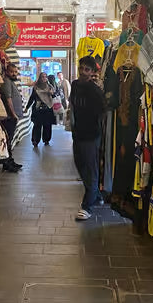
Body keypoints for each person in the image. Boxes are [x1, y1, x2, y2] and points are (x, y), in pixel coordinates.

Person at [70, 56, 106, 221]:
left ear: (92, 72)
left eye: (87, 69)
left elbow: (102, 111)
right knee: (80, 166)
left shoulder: (95, 90)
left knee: (90, 169)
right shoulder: (75, 85)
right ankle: (96, 195)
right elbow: (73, 106)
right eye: (81, 68)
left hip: (91, 135)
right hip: (78, 134)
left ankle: (87, 206)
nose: (83, 72)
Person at [0, 63, 24, 172]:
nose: (14, 74)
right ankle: (7, 163)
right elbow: (8, 99)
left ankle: (10, 160)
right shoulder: (7, 82)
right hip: (9, 117)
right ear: (7, 72)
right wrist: (13, 114)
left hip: (12, 117)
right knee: (8, 139)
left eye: (15, 71)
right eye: (11, 71)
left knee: (10, 139)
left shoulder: (11, 82)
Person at [25, 72, 56, 147]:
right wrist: (27, 107)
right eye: (42, 77)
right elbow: (32, 98)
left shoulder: (50, 87)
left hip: (48, 108)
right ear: (39, 78)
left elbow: (54, 96)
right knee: (37, 126)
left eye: (45, 77)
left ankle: (46, 140)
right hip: (38, 109)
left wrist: (52, 93)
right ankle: (35, 140)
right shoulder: (36, 87)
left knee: (47, 125)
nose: (44, 78)